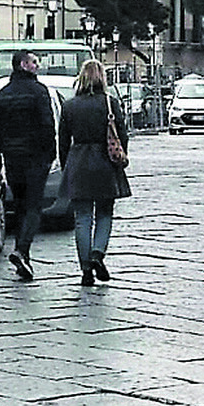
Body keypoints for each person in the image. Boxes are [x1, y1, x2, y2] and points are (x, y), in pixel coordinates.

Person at [57, 60, 131, 286]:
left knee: (82, 218)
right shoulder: (111, 103)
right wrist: (121, 157)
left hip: (79, 161)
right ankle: (98, 253)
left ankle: (86, 270)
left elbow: (62, 140)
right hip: (105, 163)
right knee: (105, 213)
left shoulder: (70, 106)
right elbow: (122, 135)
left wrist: (65, 165)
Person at [0, 50, 55, 281]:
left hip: (12, 157)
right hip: (36, 156)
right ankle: (22, 250)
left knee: (19, 205)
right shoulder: (39, 92)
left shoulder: (1, 96)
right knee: (34, 206)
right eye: (34, 62)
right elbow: (48, 125)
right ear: (24, 65)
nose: (38, 66)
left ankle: (22, 254)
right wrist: (51, 153)